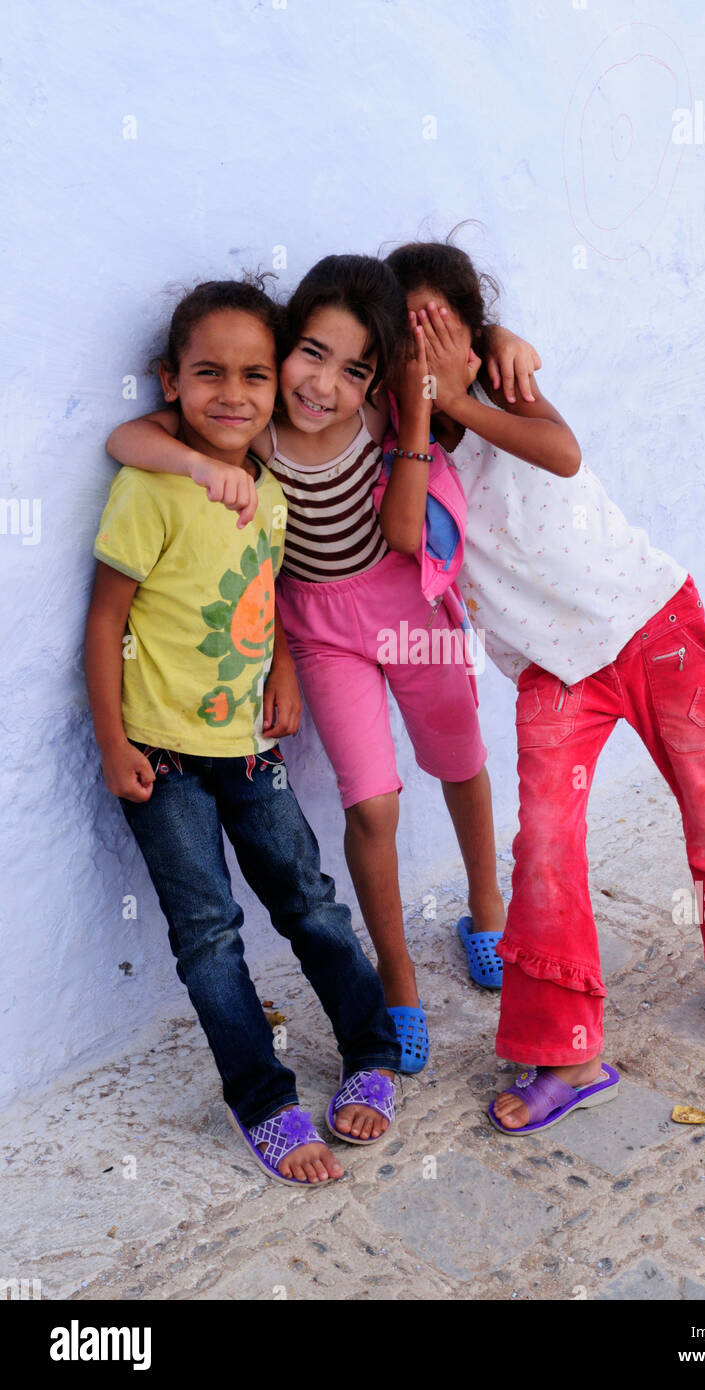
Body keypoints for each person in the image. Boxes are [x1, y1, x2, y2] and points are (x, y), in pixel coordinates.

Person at [381, 237, 705, 1135]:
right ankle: (565, 1052)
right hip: (552, 672)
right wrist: (426, 411)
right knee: (542, 846)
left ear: (475, 332)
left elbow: (563, 454)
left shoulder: (508, 390)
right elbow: (402, 533)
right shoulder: (400, 447)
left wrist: (478, 373)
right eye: (406, 344)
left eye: (443, 332)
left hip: (652, 624)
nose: (425, 358)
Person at [86, 278, 400, 1184]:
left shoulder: (269, 490)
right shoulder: (150, 486)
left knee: (308, 903)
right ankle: (262, 1100)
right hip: (163, 757)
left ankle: (372, 1050)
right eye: (208, 373)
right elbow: (106, 620)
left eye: (254, 375)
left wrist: (290, 669)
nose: (233, 393)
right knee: (209, 935)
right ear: (169, 382)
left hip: (252, 754)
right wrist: (114, 743)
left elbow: (265, 592)